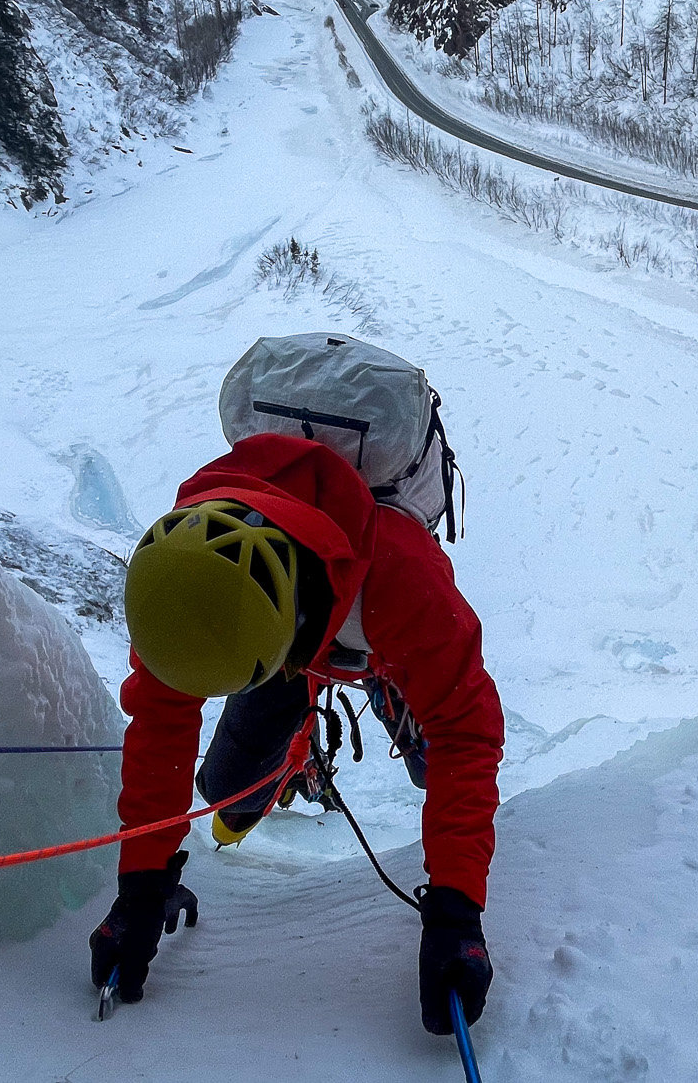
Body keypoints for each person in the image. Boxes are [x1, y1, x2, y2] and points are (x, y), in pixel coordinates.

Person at [88, 428, 503, 1037]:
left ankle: (380, 683)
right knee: (226, 790)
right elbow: (160, 727)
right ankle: (294, 755)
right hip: (282, 626)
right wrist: (140, 887)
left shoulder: (403, 581)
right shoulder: (185, 587)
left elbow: (468, 735)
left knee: (434, 761)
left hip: (372, 626)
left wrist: (457, 914)